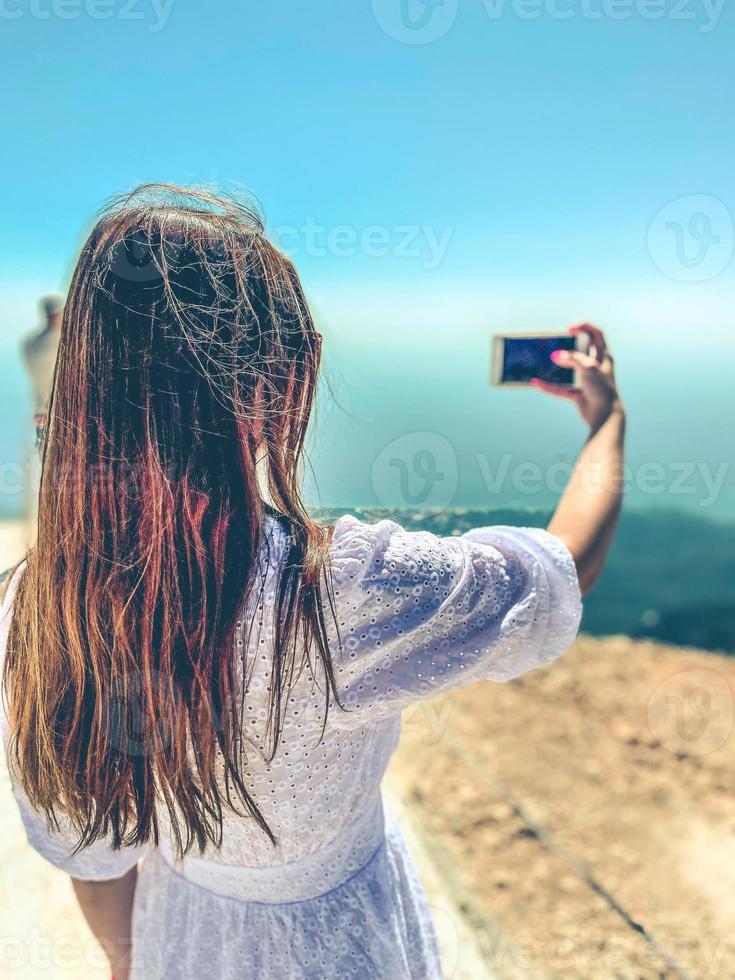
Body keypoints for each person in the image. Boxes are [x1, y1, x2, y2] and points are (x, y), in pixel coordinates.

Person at [0, 185, 625, 980]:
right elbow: (564, 568)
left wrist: (132, 968)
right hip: (341, 947)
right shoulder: (343, 594)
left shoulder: (37, 610)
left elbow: (94, 859)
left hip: (177, 939)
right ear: (282, 383)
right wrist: (607, 422)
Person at [22, 293, 65, 436]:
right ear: (60, 313)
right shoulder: (64, 341)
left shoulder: (29, 343)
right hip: (61, 415)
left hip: (41, 415)